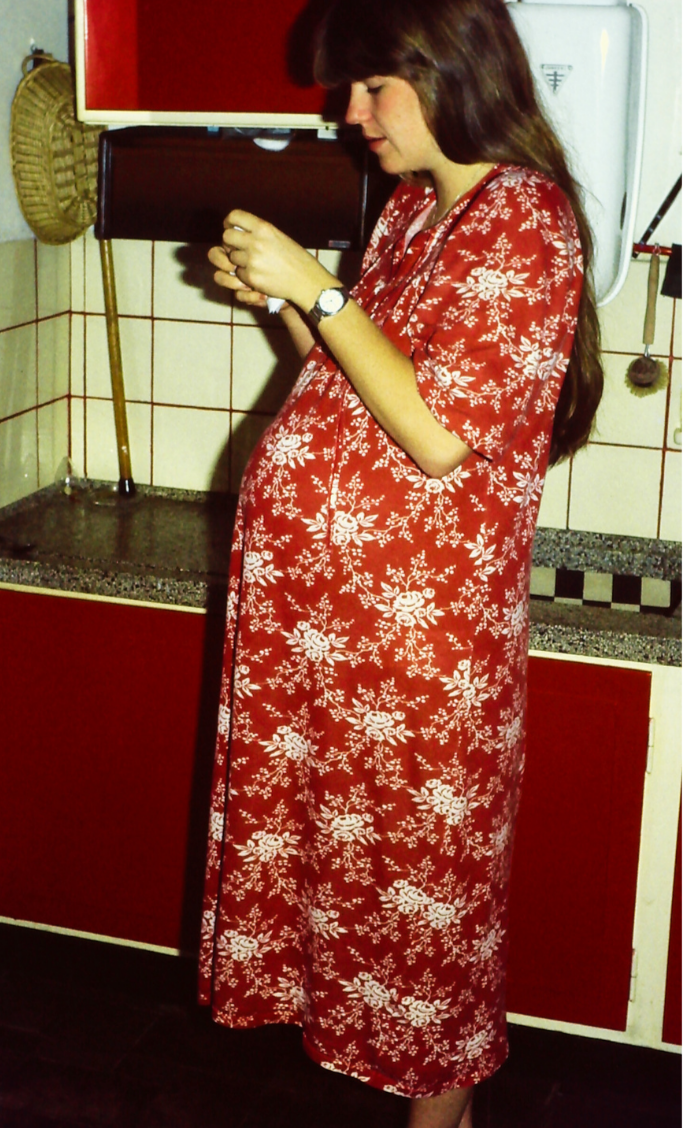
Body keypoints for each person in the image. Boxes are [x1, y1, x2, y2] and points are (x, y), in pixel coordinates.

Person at [198, 0, 603, 1125]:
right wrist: (292, 302)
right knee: (355, 891)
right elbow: (355, 384)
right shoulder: (417, 215)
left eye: (376, 88)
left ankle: (442, 1114)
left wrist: (316, 289)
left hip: (418, 648)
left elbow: (435, 436)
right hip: (331, 632)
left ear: (453, 75)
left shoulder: (524, 218)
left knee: (430, 909)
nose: (351, 113)